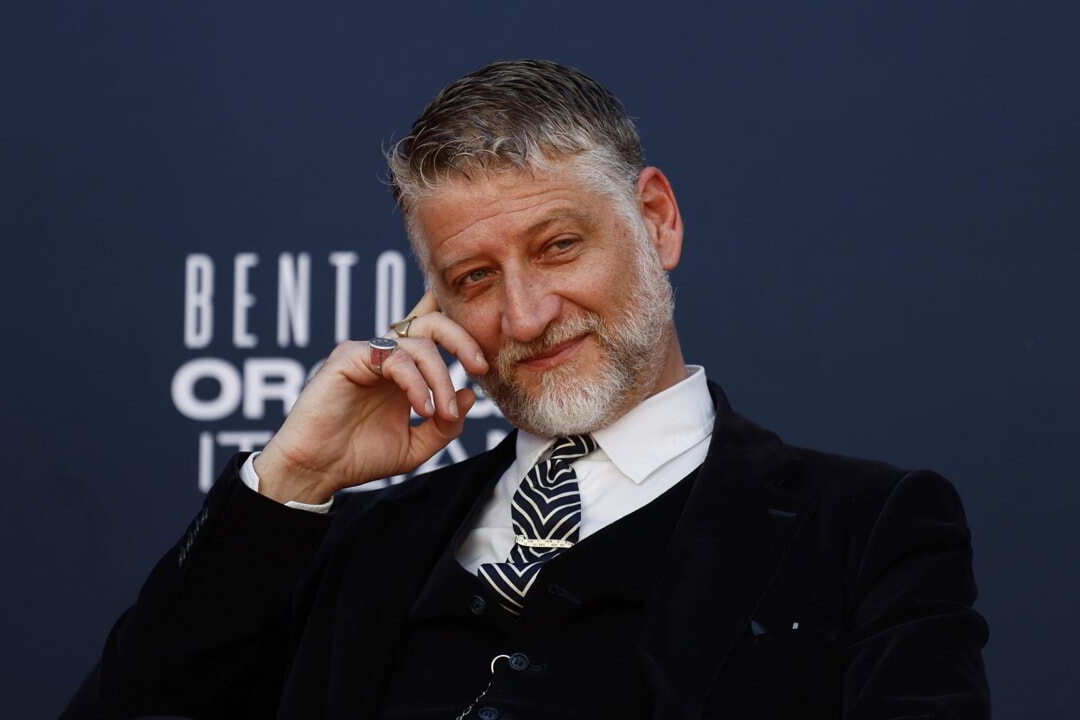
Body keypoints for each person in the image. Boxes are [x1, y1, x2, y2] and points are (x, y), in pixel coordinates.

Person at [63, 59, 989, 719]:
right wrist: (290, 481)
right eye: (474, 278)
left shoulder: (865, 529)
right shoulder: (354, 549)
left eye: (558, 247)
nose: (527, 313)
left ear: (656, 220)